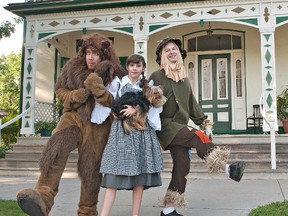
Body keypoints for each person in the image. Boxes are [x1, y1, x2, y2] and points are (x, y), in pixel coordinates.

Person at [16, 33, 123, 216]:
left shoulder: (115, 72)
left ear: (104, 54)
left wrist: (97, 88)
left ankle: (87, 211)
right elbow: (60, 90)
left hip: (98, 126)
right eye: (88, 52)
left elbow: (116, 102)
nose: (91, 57)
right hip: (73, 117)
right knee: (55, 150)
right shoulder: (72, 67)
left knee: (91, 169)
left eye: (95, 53)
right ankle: (42, 198)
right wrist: (76, 95)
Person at [149, 37, 246, 216]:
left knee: (182, 166)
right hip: (165, 127)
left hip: (179, 127)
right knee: (196, 136)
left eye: (174, 49)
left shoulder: (184, 80)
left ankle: (168, 209)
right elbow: (147, 100)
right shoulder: (157, 76)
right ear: (162, 55)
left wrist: (203, 122)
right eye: (167, 50)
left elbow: (192, 104)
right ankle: (228, 169)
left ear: (179, 53)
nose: (171, 52)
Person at [99, 54, 164, 216]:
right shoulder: (118, 83)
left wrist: (136, 109)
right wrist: (116, 113)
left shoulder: (147, 86)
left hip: (141, 133)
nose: (135, 68)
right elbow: (108, 102)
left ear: (142, 68)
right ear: (127, 67)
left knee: (139, 176)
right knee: (113, 175)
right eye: (132, 65)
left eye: (138, 65)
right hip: (121, 132)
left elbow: (155, 106)